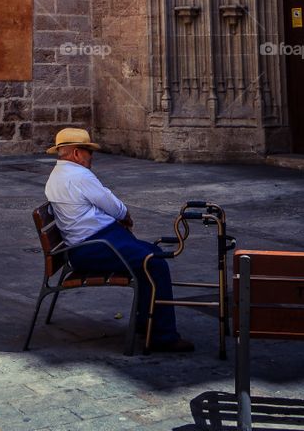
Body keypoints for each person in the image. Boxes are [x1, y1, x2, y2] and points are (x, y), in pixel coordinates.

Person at [44, 126, 194, 352]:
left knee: (149, 255)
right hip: (93, 247)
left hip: (88, 243)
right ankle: (162, 336)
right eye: (88, 152)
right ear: (76, 153)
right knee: (154, 263)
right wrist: (125, 216)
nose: (91, 157)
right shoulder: (79, 175)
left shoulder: (57, 175)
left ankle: (148, 321)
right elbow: (114, 206)